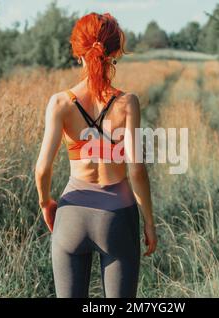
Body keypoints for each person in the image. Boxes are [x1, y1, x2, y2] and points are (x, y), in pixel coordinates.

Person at [35, 12, 157, 298]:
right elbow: (136, 170)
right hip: (116, 218)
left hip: (71, 215)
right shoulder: (128, 103)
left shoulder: (60, 103)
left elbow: (42, 169)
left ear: (78, 52)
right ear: (115, 53)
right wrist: (149, 221)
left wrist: (45, 203)